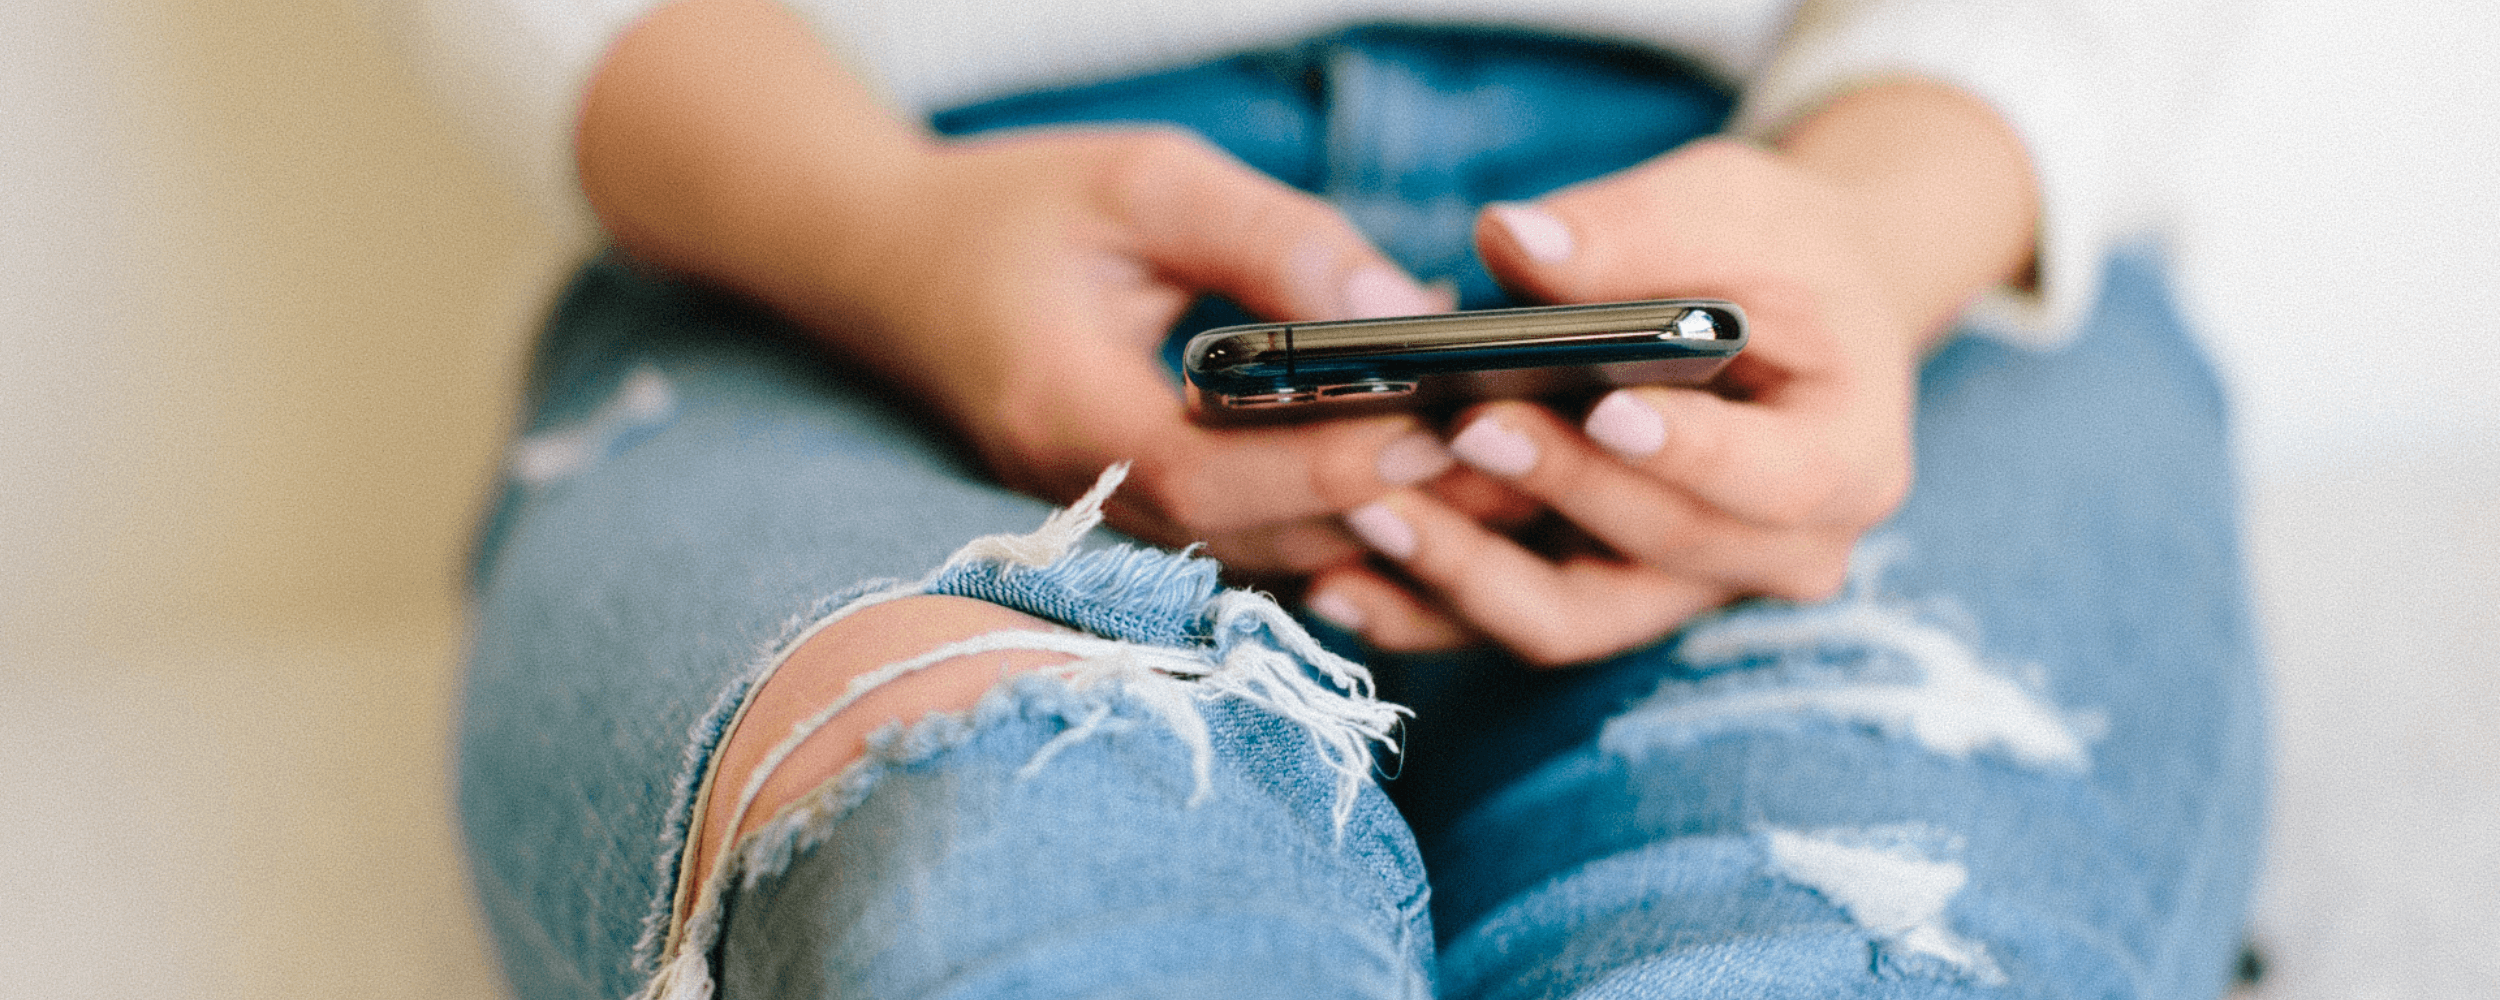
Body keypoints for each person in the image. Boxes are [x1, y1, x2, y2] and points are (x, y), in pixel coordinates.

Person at [393, 0, 2267, 996]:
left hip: (1864, 218)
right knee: (1009, 874)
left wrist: (1882, 221)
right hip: (827, 244)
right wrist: (877, 230)